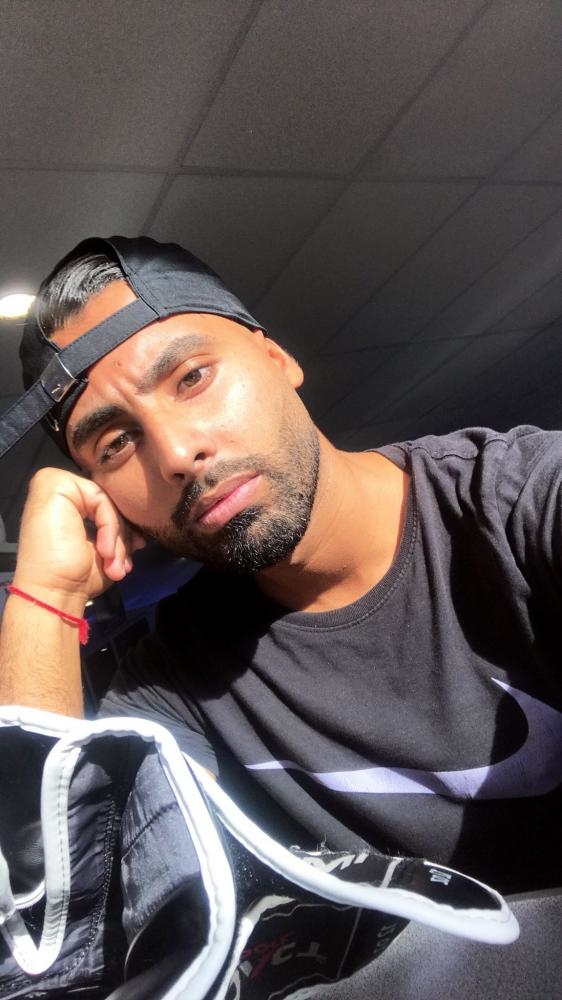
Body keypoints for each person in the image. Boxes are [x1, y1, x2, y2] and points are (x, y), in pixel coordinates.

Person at [0, 237, 561, 996]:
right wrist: (48, 595)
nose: (176, 453)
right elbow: (58, 940)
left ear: (277, 357)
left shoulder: (520, 504)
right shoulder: (173, 684)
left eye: (192, 377)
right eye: (116, 442)